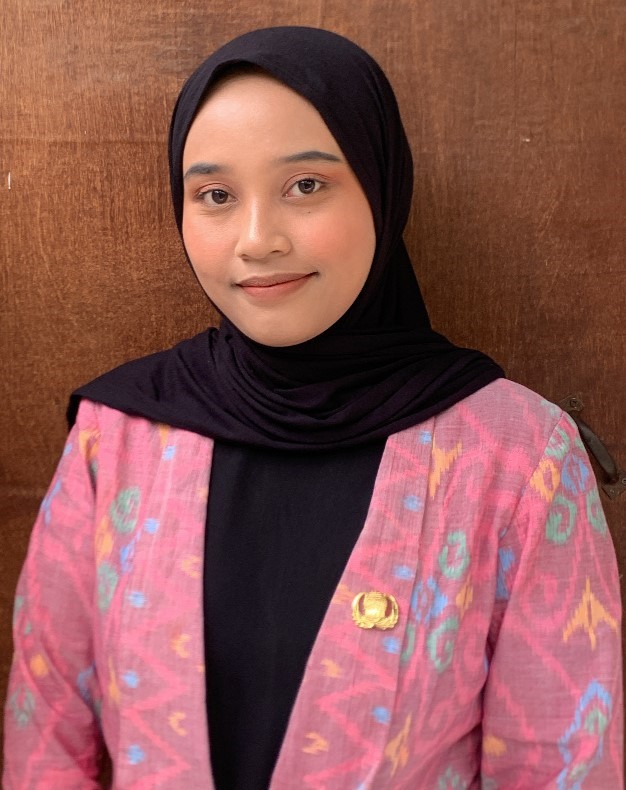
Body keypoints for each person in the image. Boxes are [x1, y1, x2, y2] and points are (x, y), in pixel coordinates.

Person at [3, 26, 622, 790]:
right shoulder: (120, 436)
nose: (257, 240)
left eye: (305, 186)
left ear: (381, 186)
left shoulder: (519, 456)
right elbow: (45, 739)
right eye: (216, 195)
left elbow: (561, 764)